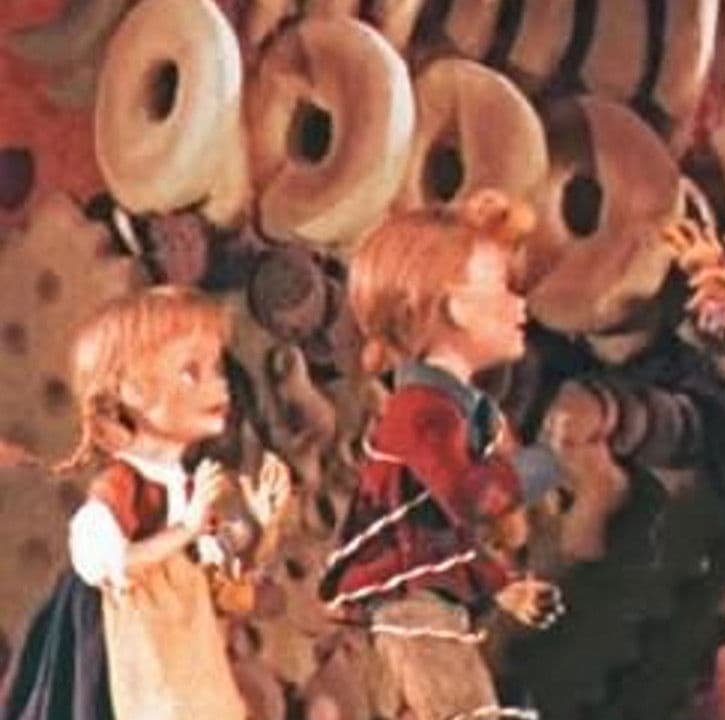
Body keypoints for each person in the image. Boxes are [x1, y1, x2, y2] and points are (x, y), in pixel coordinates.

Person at [319, 190, 565, 720]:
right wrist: (545, 463)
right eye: (502, 287)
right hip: (408, 606)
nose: (519, 304)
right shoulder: (422, 411)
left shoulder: (452, 409)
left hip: (421, 602)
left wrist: (502, 588)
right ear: (454, 307)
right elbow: (473, 499)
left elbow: (439, 535)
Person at [4, 286, 292, 720]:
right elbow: (106, 563)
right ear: (133, 391)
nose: (218, 384)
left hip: (186, 661)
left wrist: (259, 526)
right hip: (133, 661)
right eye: (191, 372)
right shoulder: (122, 487)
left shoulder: (187, 487)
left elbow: (219, 583)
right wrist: (186, 530)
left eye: (216, 368)